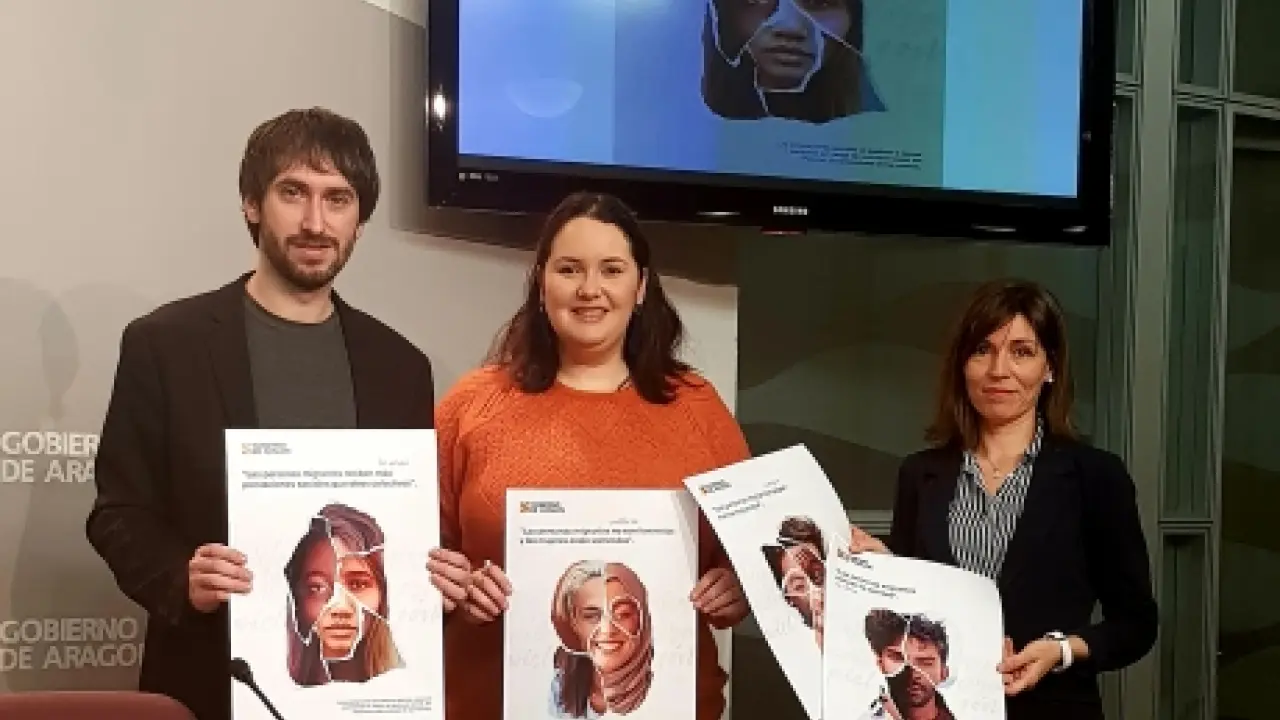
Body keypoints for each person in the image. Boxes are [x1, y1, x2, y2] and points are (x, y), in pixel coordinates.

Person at [85, 107, 448, 720]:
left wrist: (435, 571)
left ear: (360, 222)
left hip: (360, 699)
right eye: (293, 193)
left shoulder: (401, 367)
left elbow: (400, 533)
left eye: (338, 199)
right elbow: (119, 513)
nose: (315, 222)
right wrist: (181, 578)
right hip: (207, 682)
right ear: (252, 204)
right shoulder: (165, 344)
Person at [427, 191, 752, 720]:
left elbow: (755, 552)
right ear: (542, 283)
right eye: (569, 269)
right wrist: (453, 588)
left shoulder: (697, 409)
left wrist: (739, 587)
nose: (589, 289)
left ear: (640, 287)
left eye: (612, 270)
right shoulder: (472, 405)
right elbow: (415, 554)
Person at [848, 279, 1158, 720]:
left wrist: (1060, 650)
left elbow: (1136, 624)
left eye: (1022, 352)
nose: (999, 370)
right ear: (962, 365)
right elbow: (918, 611)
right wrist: (883, 570)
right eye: (982, 350)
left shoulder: (1096, 476)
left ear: (1050, 368)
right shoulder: (920, 474)